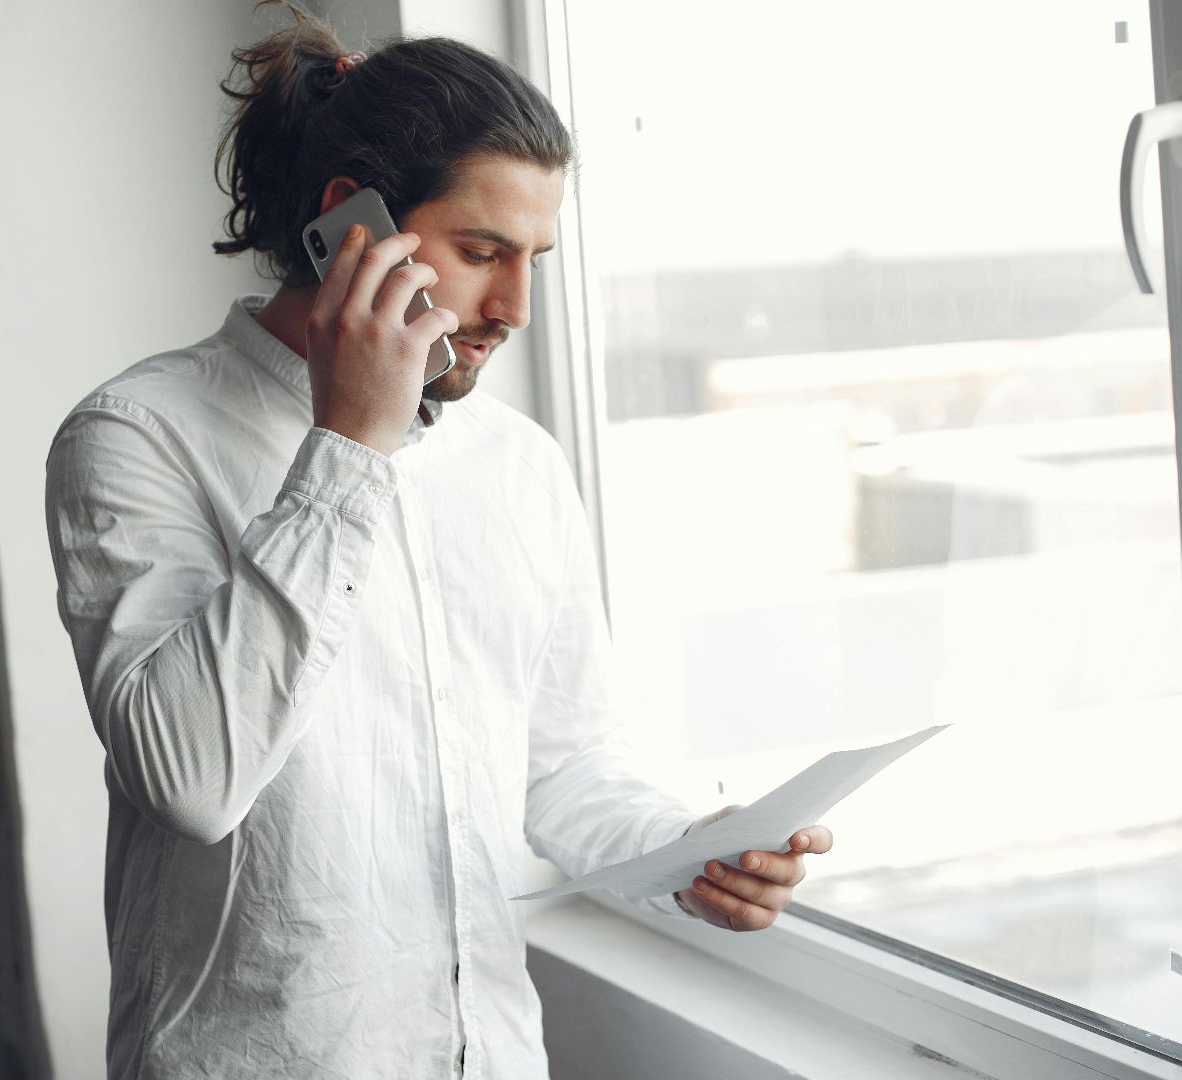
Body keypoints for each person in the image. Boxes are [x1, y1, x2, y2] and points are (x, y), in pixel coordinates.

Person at [42, 6, 833, 1078]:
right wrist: (349, 445)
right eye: (480, 251)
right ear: (352, 225)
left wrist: (689, 853)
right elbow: (190, 777)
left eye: (533, 261)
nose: (510, 305)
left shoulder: (518, 466)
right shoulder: (137, 436)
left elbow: (563, 767)